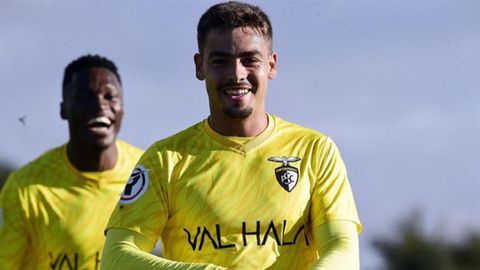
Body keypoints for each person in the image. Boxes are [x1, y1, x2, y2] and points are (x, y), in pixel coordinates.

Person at [101, 2, 361, 269]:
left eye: (250, 60)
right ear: (200, 66)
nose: (237, 74)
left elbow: (343, 250)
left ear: (271, 65)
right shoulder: (165, 159)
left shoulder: (314, 150)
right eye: (220, 61)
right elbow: (115, 258)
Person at [0, 54, 143, 270]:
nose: (99, 105)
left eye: (109, 97)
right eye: (84, 97)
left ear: (122, 108)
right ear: (63, 110)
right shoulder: (25, 188)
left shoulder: (149, 170)